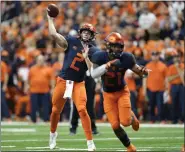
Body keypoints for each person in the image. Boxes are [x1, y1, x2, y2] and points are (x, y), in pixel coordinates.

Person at [88, 32, 151, 151]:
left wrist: (144, 72)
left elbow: (139, 72)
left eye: (119, 46)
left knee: (126, 122)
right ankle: (130, 147)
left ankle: (132, 118)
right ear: (108, 46)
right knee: (115, 125)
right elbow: (94, 74)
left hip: (122, 91)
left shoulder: (127, 57)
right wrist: (107, 65)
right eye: (114, 46)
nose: (117, 48)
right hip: (107, 94)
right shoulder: (99, 57)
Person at [47, 11, 97, 150]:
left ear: (92, 35)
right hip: (63, 81)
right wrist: (50, 19)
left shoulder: (93, 50)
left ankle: (90, 142)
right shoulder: (71, 41)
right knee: (56, 110)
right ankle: (52, 134)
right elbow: (54, 35)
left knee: (82, 109)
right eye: (85, 31)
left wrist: (86, 56)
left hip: (78, 83)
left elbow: (92, 71)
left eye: (89, 32)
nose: (86, 33)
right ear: (81, 32)